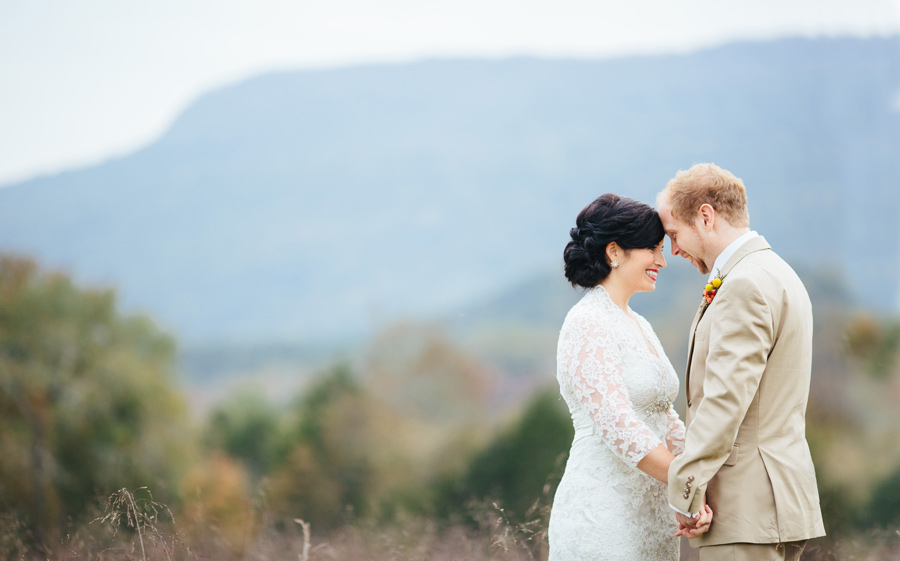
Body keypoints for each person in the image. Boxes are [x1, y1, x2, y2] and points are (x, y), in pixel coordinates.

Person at [658, 163, 826, 561]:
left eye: (674, 235)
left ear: (705, 216)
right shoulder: (777, 272)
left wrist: (686, 488)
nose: (675, 250)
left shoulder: (744, 285)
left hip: (746, 506)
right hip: (776, 499)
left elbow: (724, 401)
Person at [548, 193, 712, 561]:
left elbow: (663, 416)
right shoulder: (588, 321)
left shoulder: (639, 323)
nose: (662, 261)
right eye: (652, 249)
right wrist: (689, 482)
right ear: (614, 251)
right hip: (604, 516)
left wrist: (694, 490)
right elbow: (618, 424)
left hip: (654, 519)